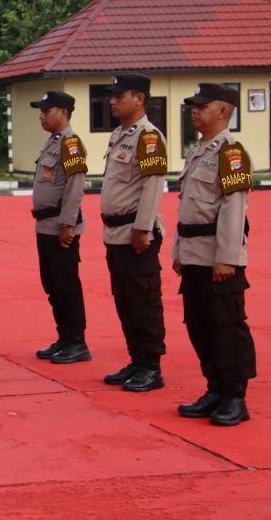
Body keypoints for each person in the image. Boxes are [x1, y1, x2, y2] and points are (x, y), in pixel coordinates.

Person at [172, 83, 256, 426]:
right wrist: (179, 250)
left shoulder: (231, 153)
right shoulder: (198, 151)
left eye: (201, 105)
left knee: (226, 326)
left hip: (217, 257)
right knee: (199, 323)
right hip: (193, 254)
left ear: (222, 111)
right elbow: (186, 207)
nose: (194, 110)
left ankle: (235, 396)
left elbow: (234, 209)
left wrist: (227, 257)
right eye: (193, 105)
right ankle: (215, 388)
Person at [100, 73, 168, 392]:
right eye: (112, 96)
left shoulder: (149, 137)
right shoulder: (119, 135)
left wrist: (143, 228)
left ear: (139, 98)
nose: (112, 101)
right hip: (115, 234)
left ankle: (151, 366)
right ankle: (137, 359)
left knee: (144, 301)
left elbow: (152, 184)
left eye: (119, 95)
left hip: (135, 234)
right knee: (125, 301)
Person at [30, 91, 91, 364]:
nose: (42, 116)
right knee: (52, 283)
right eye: (41, 111)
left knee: (66, 284)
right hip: (45, 225)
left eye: (47, 110)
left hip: (60, 227)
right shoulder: (53, 142)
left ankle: (77, 341)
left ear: (63, 112)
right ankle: (64, 337)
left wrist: (67, 223)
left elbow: (75, 186)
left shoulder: (71, 144)